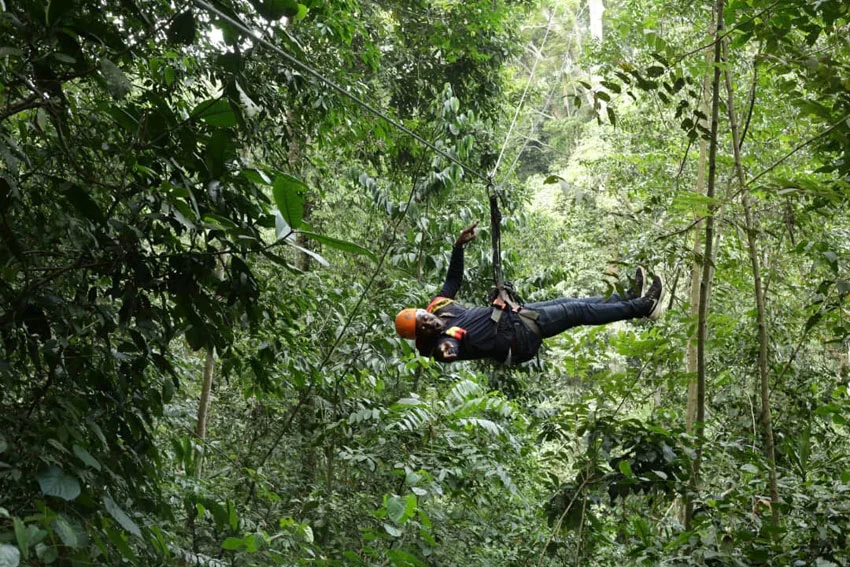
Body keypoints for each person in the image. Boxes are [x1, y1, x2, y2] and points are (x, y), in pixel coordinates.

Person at [394, 223, 666, 365]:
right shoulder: (443, 342)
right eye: (424, 325)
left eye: (424, 316)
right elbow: (447, 351)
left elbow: (451, 281)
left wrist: (458, 247)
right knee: (576, 312)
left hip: (512, 317)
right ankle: (643, 307)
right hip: (517, 336)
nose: (430, 321)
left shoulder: (440, 308)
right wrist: (445, 349)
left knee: (570, 303)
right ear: (424, 335)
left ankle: (629, 298)